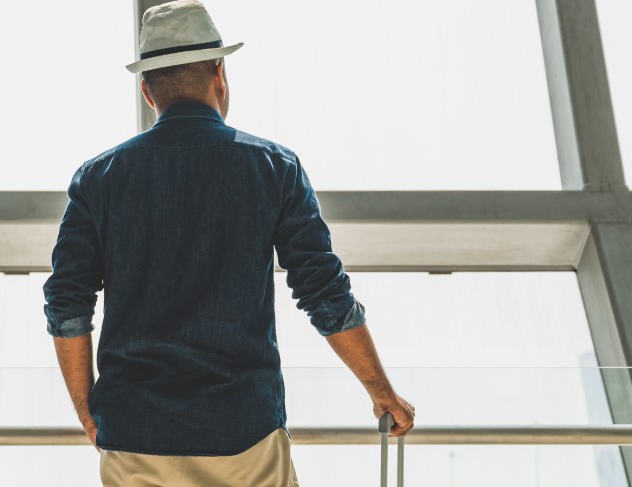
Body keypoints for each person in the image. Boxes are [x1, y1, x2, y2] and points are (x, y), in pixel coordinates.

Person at [42, 1, 415, 485]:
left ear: (147, 90)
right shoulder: (273, 167)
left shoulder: (98, 179)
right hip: (245, 435)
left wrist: (89, 410)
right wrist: (380, 391)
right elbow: (324, 292)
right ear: (220, 73)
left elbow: (67, 304)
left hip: (136, 433)